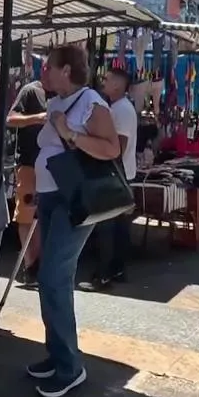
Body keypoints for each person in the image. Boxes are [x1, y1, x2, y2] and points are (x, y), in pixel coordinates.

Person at [26, 45, 121, 397]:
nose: (43, 72)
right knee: (49, 279)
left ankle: (70, 367)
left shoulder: (90, 101)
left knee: (54, 277)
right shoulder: (55, 103)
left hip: (74, 200)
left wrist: (70, 134)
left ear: (66, 70)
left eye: (48, 66)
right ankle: (57, 354)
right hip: (51, 198)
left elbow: (111, 148)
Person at [79, 67, 138, 292]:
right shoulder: (119, 107)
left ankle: (103, 275)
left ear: (118, 85)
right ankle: (117, 270)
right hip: (120, 173)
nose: (103, 80)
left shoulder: (121, 109)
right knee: (118, 227)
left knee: (106, 227)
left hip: (114, 174)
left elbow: (118, 147)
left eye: (108, 78)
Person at [7, 65, 50, 286]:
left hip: (51, 166)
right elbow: (10, 119)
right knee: (25, 213)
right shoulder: (31, 91)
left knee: (41, 215)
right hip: (28, 163)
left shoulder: (62, 94)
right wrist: (37, 118)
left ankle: (38, 264)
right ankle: (29, 265)